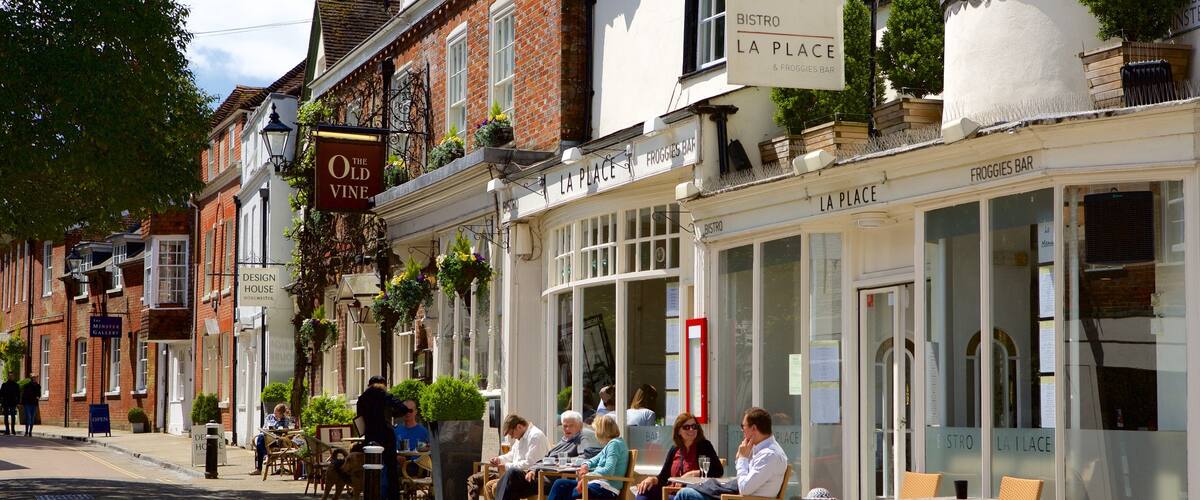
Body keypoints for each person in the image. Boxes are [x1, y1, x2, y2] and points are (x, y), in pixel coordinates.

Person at [674, 407, 787, 500]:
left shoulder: (768, 455)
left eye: (743, 426)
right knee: (689, 490)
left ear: (753, 428)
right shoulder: (763, 449)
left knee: (684, 494)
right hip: (738, 496)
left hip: (739, 498)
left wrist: (742, 459)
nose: (742, 430)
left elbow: (744, 488)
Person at [494, 411, 599, 500]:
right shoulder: (563, 441)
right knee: (510, 483)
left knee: (512, 474)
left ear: (579, 426)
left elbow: (585, 458)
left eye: (571, 426)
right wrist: (533, 469)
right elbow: (544, 459)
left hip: (553, 480)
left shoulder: (582, 439)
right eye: (564, 426)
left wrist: (561, 461)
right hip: (540, 477)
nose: (567, 429)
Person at [633, 412, 723, 500]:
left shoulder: (704, 446)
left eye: (694, 426)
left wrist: (693, 474)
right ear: (679, 431)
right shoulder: (675, 449)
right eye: (686, 427)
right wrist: (652, 479)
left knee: (681, 495)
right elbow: (664, 476)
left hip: (690, 494)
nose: (691, 430)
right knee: (644, 490)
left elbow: (718, 470)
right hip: (670, 491)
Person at [545, 414, 628, 500]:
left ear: (601, 431)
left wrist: (588, 476)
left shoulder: (614, 445)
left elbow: (608, 470)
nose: (595, 434)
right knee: (560, 484)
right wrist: (585, 465)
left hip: (606, 489)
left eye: (596, 430)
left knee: (567, 492)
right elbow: (594, 460)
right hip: (598, 484)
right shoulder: (611, 444)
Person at [468, 414, 550, 499]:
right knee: (489, 485)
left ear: (519, 427)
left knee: (498, 485)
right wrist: (499, 459)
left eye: (512, 433)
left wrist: (506, 466)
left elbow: (530, 464)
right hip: (519, 475)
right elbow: (512, 455)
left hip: (534, 478)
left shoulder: (535, 436)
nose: (512, 437)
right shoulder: (521, 437)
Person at [357, 375, 410, 500]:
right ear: (384, 385)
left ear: (369, 385)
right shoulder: (385, 395)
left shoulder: (362, 398)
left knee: (370, 468)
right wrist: (392, 414)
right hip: (386, 436)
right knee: (391, 469)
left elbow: (359, 418)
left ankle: (371, 496)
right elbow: (403, 408)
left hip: (371, 437)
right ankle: (392, 497)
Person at [251, 403, 294, 475]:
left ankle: (259, 468)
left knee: (260, 443)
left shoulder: (285, 419)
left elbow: (286, 429)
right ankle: (267, 455)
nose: (275, 414)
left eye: (277, 413)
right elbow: (264, 427)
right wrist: (268, 429)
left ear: (281, 414)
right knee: (260, 438)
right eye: (274, 412)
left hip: (276, 439)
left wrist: (281, 429)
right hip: (266, 436)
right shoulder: (269, 417)